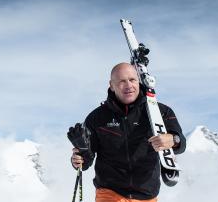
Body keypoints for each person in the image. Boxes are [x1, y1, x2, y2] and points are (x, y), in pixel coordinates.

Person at [70, 63, 186, 202]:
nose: (128, 85)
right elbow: (85, 162)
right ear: (112, 85)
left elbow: (182, 144)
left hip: (147, 196)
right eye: (121, 81)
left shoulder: (161, 112)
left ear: (139, 81)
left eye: (132, 80)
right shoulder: (97, 118)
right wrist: (79, 157)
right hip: (110, 193)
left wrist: (174, 140)